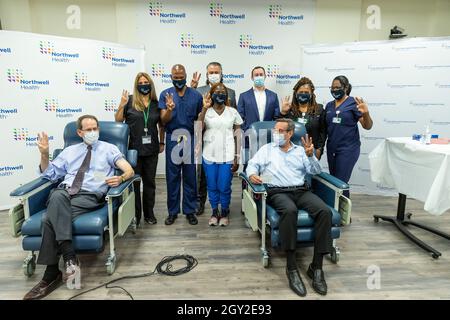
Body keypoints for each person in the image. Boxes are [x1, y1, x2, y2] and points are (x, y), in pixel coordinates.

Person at [23, 115, 134, 300]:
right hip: (65, 193)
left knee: (48, 216)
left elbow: (129, 169)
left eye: (95, 128)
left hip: (89, 196)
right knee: (58, 195)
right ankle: (69, 259)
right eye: (88, 129)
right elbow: (50, 175)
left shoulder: (109, 148)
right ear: (79, 132)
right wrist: (44, 155)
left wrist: (121, 178)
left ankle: (51, 275)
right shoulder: (69, 151)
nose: (93, 132)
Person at [246, 118, 332, 297]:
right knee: (290, 211)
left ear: (290, 133)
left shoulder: (301, 151)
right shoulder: (267, 149)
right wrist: (252, 174)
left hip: (301, 191)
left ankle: (316, 267)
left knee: (324, 211)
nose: (276, 134)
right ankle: (291, 268)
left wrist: (311, 156)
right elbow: (252, 165)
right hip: (277, 192)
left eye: (280, 131)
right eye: (275, 130)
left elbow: (316, 172)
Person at [115, 72, 165, 226]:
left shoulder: (156, 103)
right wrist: (121, 105)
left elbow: (161, 125)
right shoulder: (130, 100)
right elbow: (118, 120)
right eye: (141, 82)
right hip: (134, 151)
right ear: (137, 85)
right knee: (134, 184)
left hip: (151, 149)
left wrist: (162, 142)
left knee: (150, 183)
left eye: (146, 81)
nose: (144, 84)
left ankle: (149, 214)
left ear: (150, 84)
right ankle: (135, 215)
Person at [190, 62, 237, 216]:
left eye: (217, 71)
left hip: (226, 145)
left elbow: (233, 119)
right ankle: (203, 204)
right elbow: (196, 118)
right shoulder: (199, 91)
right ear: (207, 73)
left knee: (222, 181)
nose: (214, 74)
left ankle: (223, 208)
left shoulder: (230, 92)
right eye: (211, 72)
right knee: (204, 178)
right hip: (206, 141)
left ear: (221, 73)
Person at [159, 64, 203, 226]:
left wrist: (198, 141)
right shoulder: (165, 94)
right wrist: (169, 109)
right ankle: (172, 212)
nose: (178, 79)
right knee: (172, 178)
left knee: (191, 177)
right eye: (175, 77)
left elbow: (199, 119)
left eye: (181, 76)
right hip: (173, 138)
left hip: (190, 138)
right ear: (171, 77)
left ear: (185, 76)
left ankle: (190, 211)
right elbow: (162, 121)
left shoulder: (196, 95)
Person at [197, 83, 242, 226]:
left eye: (223, 92)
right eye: (217, 91)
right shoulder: (206, 111)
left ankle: (225, 211)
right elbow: (198, 128)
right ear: (211, 94)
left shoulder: (232, 112)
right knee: (211, 185)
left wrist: (237, 156)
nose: (220, 94)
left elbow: (238, 135)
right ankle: (214, 211)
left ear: (226, 95)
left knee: (224, 185)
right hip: (209, 154)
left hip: (228, 154)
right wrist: (204, 108)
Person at [325, 75, 373, 198]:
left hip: (348, 149)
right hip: (332, 149)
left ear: (345, 88)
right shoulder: (329, 105)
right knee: (335, 182)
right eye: (332, 87)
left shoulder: (353, 103)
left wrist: (366, 113)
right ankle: (341, 213)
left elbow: (367, 126)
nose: (334, 90)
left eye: (338, 87)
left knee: (340, 182)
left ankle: (344, 215)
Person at [237, 66, 280, 166]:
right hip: (249, 138)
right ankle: (246, 182)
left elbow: (276, 118)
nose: (259, 77)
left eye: (261, 75)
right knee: (248, 166)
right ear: (252, 77)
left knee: (268, 166)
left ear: (265, 76)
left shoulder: (273, 96)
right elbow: (240, 118)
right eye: (256, 75)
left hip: (268, 138)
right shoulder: (243, 96)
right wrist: (246, 132)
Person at [280, 77, 326, 159]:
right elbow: (279, 128)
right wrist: (283, 113)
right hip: (291, 153)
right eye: (301, 92)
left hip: (312, 151)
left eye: (306, 92)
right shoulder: (289, 110)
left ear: (311, 94)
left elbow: (323, 132)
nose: (303, 94)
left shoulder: (319, 109)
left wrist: (319, 149)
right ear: (296, 93)